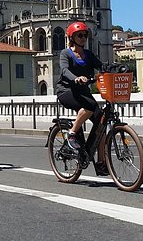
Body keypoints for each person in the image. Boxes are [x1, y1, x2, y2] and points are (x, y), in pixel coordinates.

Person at [55, 21, 107, 176]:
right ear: (72, 37)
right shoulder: (66, 53)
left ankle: (101, 163)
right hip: (66, 91)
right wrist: (76, 78)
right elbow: (64, 70)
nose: (83, 38)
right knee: (90, 106)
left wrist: (115, 68)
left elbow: (101, 65)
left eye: (85, 35)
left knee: (101, 124)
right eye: (80, 35)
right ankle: (71, 133)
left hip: (83, 93)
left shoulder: (89, 54)